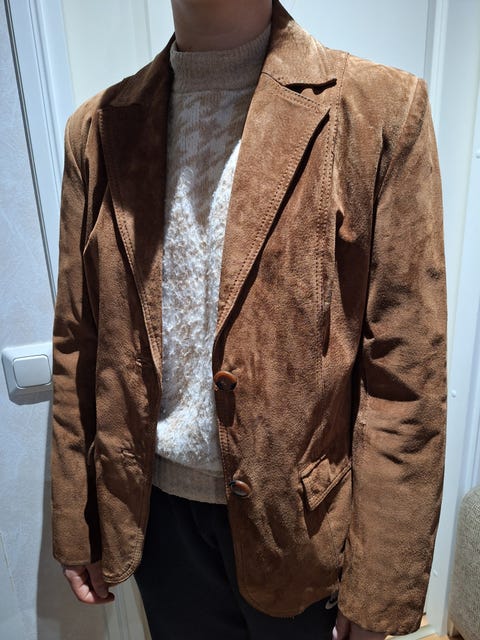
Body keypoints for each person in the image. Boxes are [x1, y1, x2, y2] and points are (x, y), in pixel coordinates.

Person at [51, 0, 447, 638]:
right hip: (154, 523)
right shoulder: (96, 131)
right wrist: (78, 518)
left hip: (303, 534)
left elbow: (405, 378)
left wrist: (382, 585)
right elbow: (78, 341)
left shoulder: (379, 112)